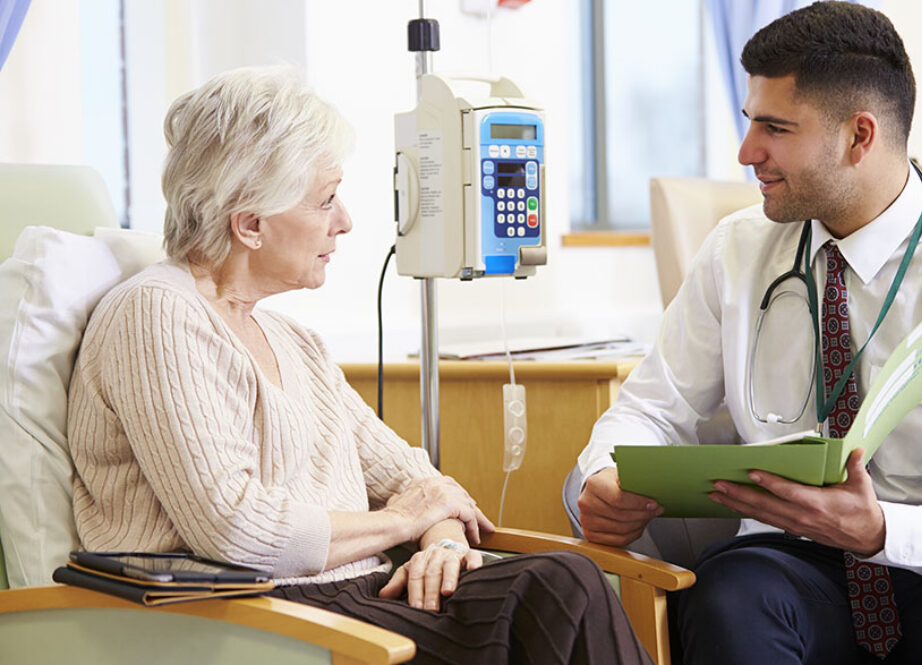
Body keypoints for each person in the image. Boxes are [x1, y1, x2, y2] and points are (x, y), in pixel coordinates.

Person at [575, 3, 922, 664]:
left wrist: (882, 530)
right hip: (791, 570)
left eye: (774, 128)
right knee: (730, 591)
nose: (746, 152)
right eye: (748, 122)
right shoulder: (736, 251)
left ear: (859, 136)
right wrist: (605, 474)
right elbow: (649, 409)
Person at [67, 66, 652, 665]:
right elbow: (240, 532)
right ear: (249, 224)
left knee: (562, 576)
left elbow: (421, 480)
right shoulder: (156, 315)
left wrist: (442, 542)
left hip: (356, 596)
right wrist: (404, 523)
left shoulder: (293, 340)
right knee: (562, 589)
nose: (344, 221)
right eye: (325, 200)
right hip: (250, 616)